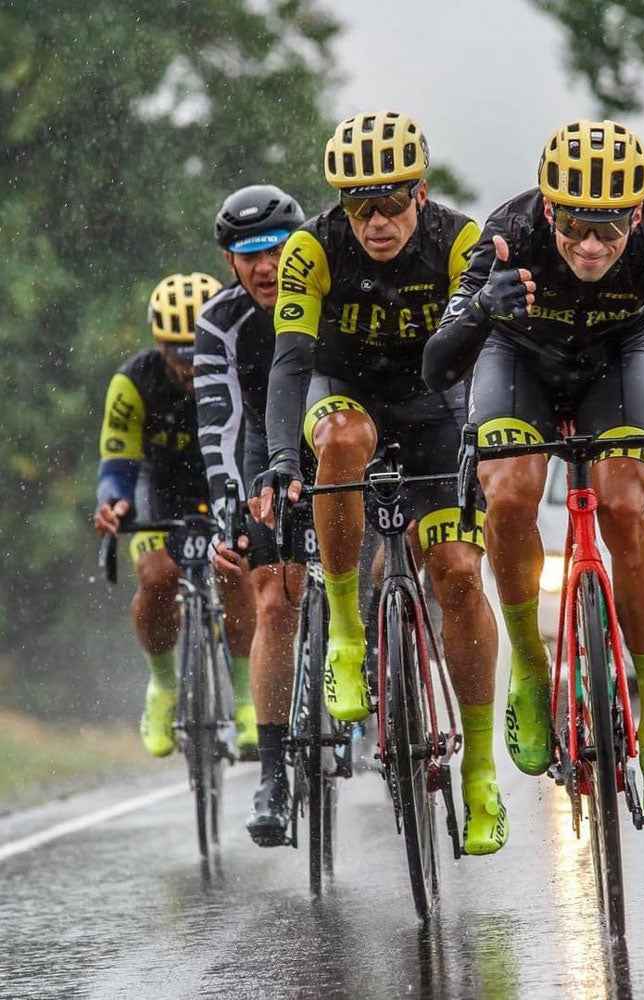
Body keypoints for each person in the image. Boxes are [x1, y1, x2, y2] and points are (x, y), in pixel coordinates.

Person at [422, 118, 644, 823]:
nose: (590, 245)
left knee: (623, 505)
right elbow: (437, 368)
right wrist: (480, 313)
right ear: (549, 210)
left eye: (610, 231)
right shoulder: (505, 235)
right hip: (517, 359)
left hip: (618, 361)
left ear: (636, 217)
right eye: (577, 226)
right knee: (512, 493)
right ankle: (527, 664)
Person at [251, 111, 506, 854]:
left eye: (393, 204)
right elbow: (291, 364)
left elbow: (491, 354)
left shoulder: (459, 242)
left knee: (457, 573)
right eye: (361, 207)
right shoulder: (312, 249)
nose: (378, 222)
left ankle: (483, 770)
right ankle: (348, 636)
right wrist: (276, 457)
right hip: (345, 394)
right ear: (341, 205)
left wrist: (490, 439)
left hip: (437, 406)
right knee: (341, 439)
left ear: (420, 195)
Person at [93, 272, 257, 758]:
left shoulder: (243, 364)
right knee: (156, 574)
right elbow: (117, 458)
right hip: (160, 490)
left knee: (236, 572)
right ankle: (163, 686)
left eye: (197, 349)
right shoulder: (134, 382)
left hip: (225, 480)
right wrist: (113, 501)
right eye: (176, 353)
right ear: (157, 344)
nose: (188, 366)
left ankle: (246, 697)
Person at [196, 184, 308, 846]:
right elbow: (220, 425)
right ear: (230, 262)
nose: (264, 267)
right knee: (272, 601)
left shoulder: (328, 289)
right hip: (266, 445)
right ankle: (273, 774)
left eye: (274, 249)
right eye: (247, 254)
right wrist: (228, 508)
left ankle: (374, 656)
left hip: (331, 432)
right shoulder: (220, 321)